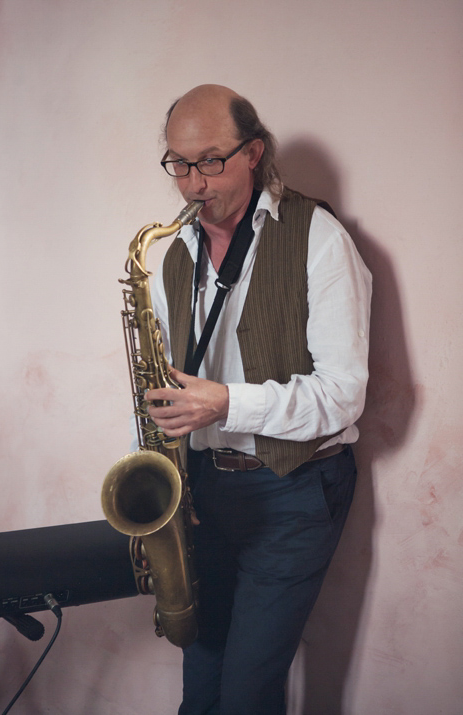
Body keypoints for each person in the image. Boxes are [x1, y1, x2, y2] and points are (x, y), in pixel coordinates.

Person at [143, 85, 372, 715]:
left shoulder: (319, 238)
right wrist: (169, 479)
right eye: (180, 164)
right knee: (201, 691)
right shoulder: (173, 255)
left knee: (246, 697)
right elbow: (161, 386)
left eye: (211, 161)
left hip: (294, 490)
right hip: (204, 494)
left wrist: (226, 406)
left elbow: (344, 394)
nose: (193, 184)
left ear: (254, 153)